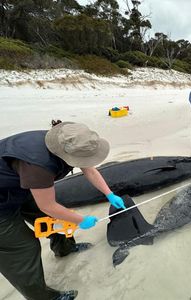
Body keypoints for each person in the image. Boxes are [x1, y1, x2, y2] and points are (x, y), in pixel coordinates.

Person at [0, 121, 127, 300]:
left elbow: (89, 171)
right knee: (23, 248)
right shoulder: (38, 164)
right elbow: (48, 205)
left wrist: (110, 194)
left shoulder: (66, 141)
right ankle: (43, 297)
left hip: (16, 187)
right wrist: (80, 220)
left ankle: (65, 248)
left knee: (54, 218)